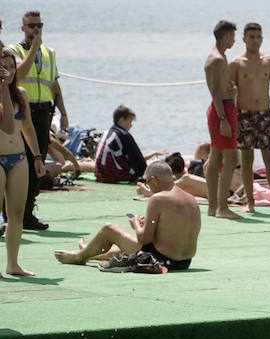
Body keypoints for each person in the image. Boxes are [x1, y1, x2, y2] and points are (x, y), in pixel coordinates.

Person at [54, 161, 200, 271]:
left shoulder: (158, 199)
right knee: (118, 250)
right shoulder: (191, 198)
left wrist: (135, 224)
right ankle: (87, 252)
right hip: (184, 262)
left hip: (161, 260)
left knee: (109, 229)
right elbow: (173, 231)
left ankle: (79, 257)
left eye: (148, 183)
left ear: (155, 180)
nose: (148, 187)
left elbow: (144, 239)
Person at [7, 10, 67, 230]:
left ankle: (28, 213)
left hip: (43, 112)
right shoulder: (12, 51)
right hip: (22, 109)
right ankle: (11, 213)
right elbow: (19, 76)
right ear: (23, 28)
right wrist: (33, 48)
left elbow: (54, 84)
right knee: (18, 161)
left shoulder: (49, 52)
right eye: (31, 25)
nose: (36, 29)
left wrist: (64, 113)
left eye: (39, 25)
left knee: (37, 161)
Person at [229, 22, 270, 214]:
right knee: (247, 160)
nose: (255, 40)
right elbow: (230, 94)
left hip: (264, 114)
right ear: (244, 39)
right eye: (252, 36)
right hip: (243, 115)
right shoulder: (236, 63)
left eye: (258, 36)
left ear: (262, 38)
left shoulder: (269, 61)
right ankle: (250, 202)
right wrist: (232, 120)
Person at [0, 47, 43, 275]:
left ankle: (12, 263)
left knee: (16, 213)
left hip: (18, 158)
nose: (8, 71)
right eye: (3, 67)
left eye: (11, 66)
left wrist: (37, 156)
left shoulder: (21, 94)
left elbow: (27, 128)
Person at [204, 20, 242, 219]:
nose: (234, 41)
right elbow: (217, 93)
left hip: (221, 108)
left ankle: (213, 207)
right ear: (226, 35)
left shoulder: (216, 57)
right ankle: (222, 208)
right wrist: (223, 118)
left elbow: (217, 90)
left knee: (215, 158)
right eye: (233, 36)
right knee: (231, 158)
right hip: (222, 111)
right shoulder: (218, 59)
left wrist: (233, 94)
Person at [94, 105, 165, 183]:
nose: (131, 126)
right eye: (130, 122)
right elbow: (138, 159)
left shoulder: (106, 132)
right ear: (121, 120)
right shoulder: (124, 134)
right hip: (114, 174)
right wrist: (144, 173)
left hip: (99, 173)